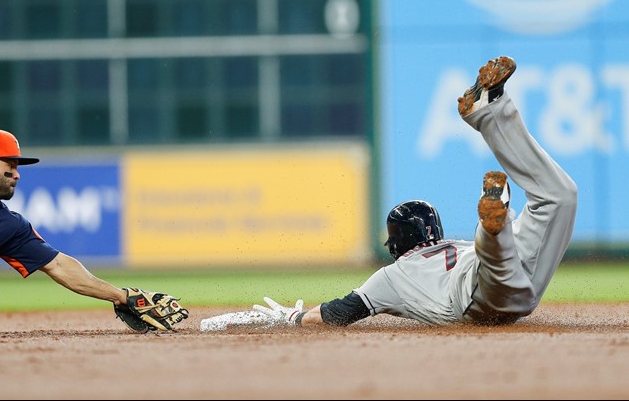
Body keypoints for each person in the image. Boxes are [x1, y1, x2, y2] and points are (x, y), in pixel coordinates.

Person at [211, 55, 578, 330]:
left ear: (395, 245)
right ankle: (491, 115)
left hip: (476, 295)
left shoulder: (392, 276)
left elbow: (339, 313)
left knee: (496, 265)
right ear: (433, 229)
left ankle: (494, 228)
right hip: (491, 269)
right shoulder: (451, 246)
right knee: (559, 197)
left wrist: (294, 318)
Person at [0, 128, 187, 333]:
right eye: (9, 165)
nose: (16, 174)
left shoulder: (8, 226)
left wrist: (121, 296)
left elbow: (58, 264)